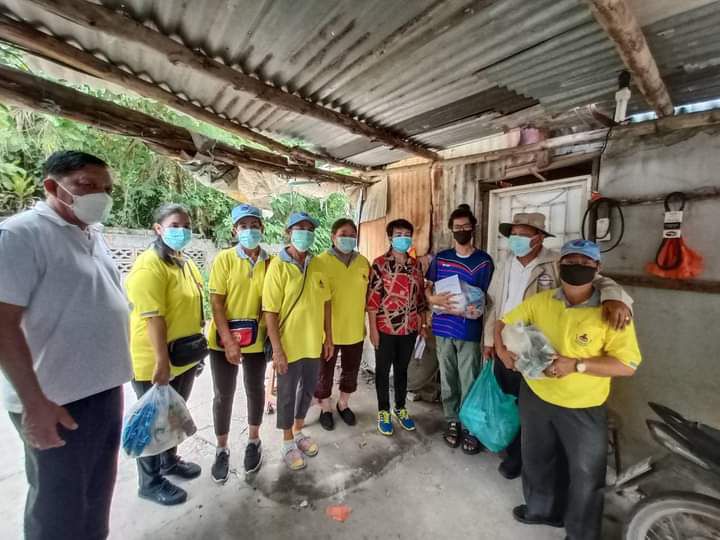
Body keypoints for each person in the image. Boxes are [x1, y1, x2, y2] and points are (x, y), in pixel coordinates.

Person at [0, 151, 132, 540]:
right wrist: (34, 403)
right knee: (58, 508)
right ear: (52, 186)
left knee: (96, 495)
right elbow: (3, 324)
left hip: (103, 390)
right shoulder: (22, 235)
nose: (100, 196)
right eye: (87, 185)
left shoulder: (92, 234)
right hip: (56, 400)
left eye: (106, 189)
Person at [494, 239, 642, 540]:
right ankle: (541, 510)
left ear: (598, 268)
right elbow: (502, 322)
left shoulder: (612, 312)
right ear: (559, 266)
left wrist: (577, 365)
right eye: (570, 261)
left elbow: (627, 365)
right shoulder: (542, 301)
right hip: (537, 396)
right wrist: (501, 350)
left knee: (586, 473)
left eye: (585, 263)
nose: (577, 267)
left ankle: (581, 533)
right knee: (536, 458)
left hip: (583, 406)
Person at [483, 212, 633, 480]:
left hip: (538, 353)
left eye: (523, 235)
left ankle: (533, 464)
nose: (515, 240)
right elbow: (496, 305)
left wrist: (616, 298)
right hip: (505, 344)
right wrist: (491, 342)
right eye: (513, 235)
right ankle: (514, 455)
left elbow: (598, 281)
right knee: (508, 403)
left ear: (539, 238)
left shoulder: (558, 262)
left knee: (532, 408)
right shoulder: (505, 263)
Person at [126, 203, 204, 506]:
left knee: (173, 414)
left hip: (182, 356)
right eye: (174, 225)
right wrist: (161, 362)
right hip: (155, 360)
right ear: (158, 229)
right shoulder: (150, 266)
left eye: (186, 225)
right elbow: (153, 319)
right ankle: (150, 482)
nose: (182, 230)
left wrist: (196, 354)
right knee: (152, 422)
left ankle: (170, 462)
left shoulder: (184, 263)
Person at [262, 212, 333, 471]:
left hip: (313, 343)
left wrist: (329, 337)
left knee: (307, 390)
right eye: (299, 228)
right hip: (288, 345)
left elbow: (326, 303)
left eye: (309, 229)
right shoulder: (277, 266)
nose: (305, 233)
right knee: (286, 394)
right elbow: (270, 311)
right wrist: (277, 350)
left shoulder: (319, 264)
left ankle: (299, 430)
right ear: (288, 232)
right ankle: (287, 442)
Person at [207, 204, 271, 482]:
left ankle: (254, 441)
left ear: (262, 229)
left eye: (254, 225)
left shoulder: (270, 262)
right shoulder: (224, 259)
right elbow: (216, 303)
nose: (249, 231)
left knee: (255, 390)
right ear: (235, 230)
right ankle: (221, 449)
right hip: (223, 340)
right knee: (223, 394)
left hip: (256, 340)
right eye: (243, 226)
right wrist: (228, 341)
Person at [425, 204, 494, 454]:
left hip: (468, 330)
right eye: (457, 227)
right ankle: (452, 420)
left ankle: (470, 426)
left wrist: (476, 308)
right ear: (451, 230)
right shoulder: (442, 258)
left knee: (469, 380)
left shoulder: (483, 261)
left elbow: (487, 296)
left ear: (473, 228)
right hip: (444, 328)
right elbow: (427, 286)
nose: (462, 230)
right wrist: (432, 299)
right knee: (448, 379)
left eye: (466, 226)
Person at [367, 219, 428, 436]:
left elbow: (420, 298)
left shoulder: (416, 266)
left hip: (409, 328)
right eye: (398, 234)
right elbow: (372, 301)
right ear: (391, 238)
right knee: (383, 371)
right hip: (385, 328)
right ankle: (383, 411)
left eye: (407, 234)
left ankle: (400, 408)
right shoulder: (380, 264)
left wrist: (422, 323)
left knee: (402, 370)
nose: (403, 238)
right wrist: (373, 330)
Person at [314, 218, 370, 430]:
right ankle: (325, 408)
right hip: (327, 331)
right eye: (343, 235)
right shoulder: (320, 262)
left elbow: (368, 295)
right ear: (333, 236)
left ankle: (343, 404)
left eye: (352, 235)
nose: (348, 239)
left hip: (354, 329)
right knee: (324, 372)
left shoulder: (363, 262)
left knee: (351, 370)